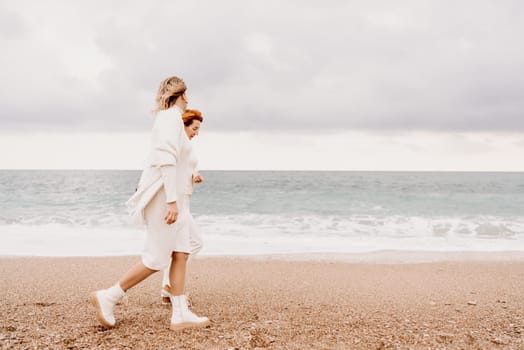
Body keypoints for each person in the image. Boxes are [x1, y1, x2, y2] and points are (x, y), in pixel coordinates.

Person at [89, 76, 210, 331]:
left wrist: (185, 185)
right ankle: (109, 296)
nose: (188, 98)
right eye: (186, 94)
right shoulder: (168, 118)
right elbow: (165, 159)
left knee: (182, 251)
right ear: (181, 94)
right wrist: (172, 202)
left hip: (176, 200)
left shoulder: (173, 120)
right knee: (156, 258)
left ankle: (180, 314)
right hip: (166, 200)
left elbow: (176, 164)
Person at [160, 109, 205, 306]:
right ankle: (170, 288)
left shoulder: (187, 146)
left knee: (186, 246)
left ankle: (169, 288)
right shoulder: (177, 143)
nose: (197, 132)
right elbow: (168, 168)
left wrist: (195, 175)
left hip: (185, 201)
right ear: (184, 125)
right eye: (194, 128)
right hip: (177, 202)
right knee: (190, 244)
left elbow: (187, 167)